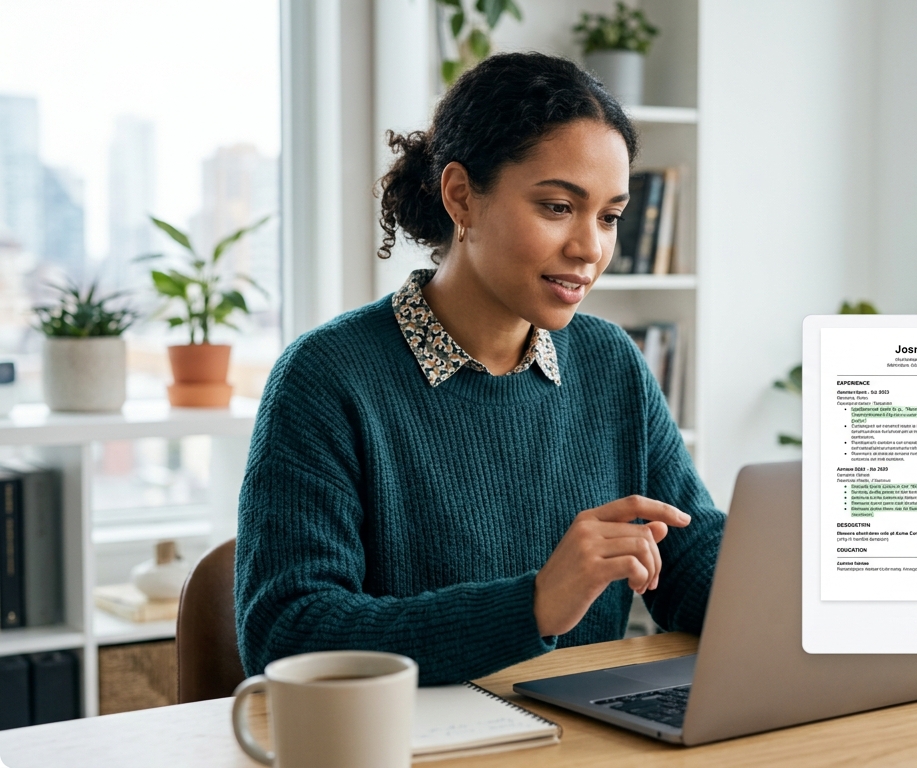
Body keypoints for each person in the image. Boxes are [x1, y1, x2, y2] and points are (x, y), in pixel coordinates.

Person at [234, 52, 725, 685]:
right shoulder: (327, 378)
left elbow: (686, 558)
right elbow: (287, 633)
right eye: (556, 207)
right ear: (462, 197)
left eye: (608, 216)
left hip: (583, 740)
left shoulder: (609, 363)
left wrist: (810, 589)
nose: (590, 249)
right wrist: (533, 605)